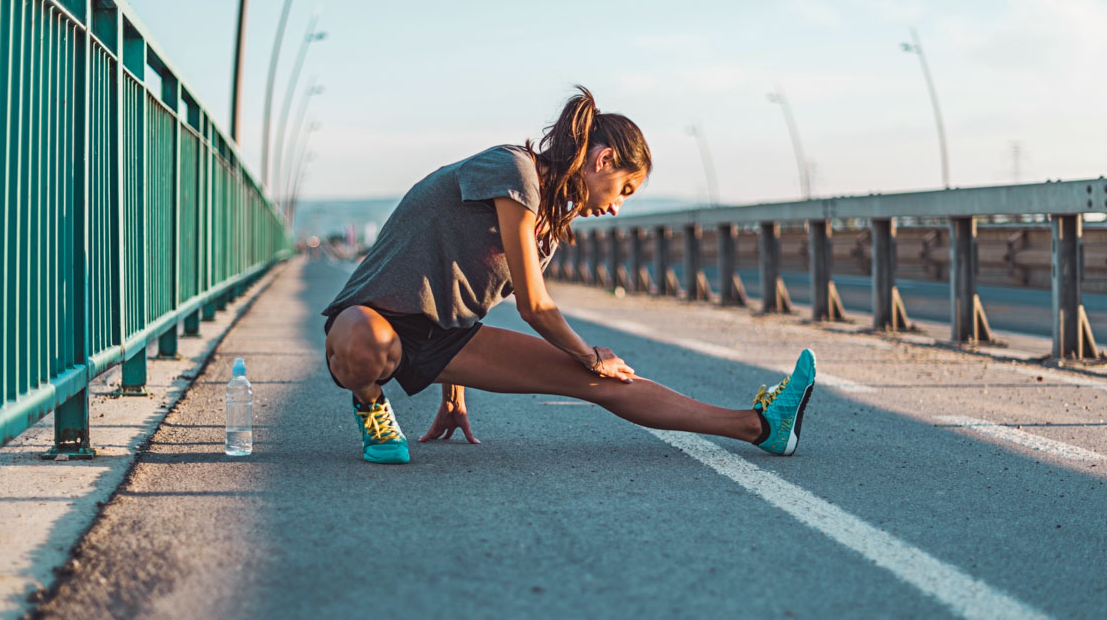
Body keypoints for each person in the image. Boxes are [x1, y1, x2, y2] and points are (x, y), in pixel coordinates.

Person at [322, 86, 816, 464]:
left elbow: (463, 301)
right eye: (623, 190)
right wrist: (588, 353)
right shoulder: (513, 172)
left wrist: (453, 390)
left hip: (437, 340)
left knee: (600, 382)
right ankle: (370, 406)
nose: (617, 209)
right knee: (365, 340)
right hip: (367, 320)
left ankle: (760, 426)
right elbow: (534, 307)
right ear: (602, 161)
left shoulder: (546, 232)